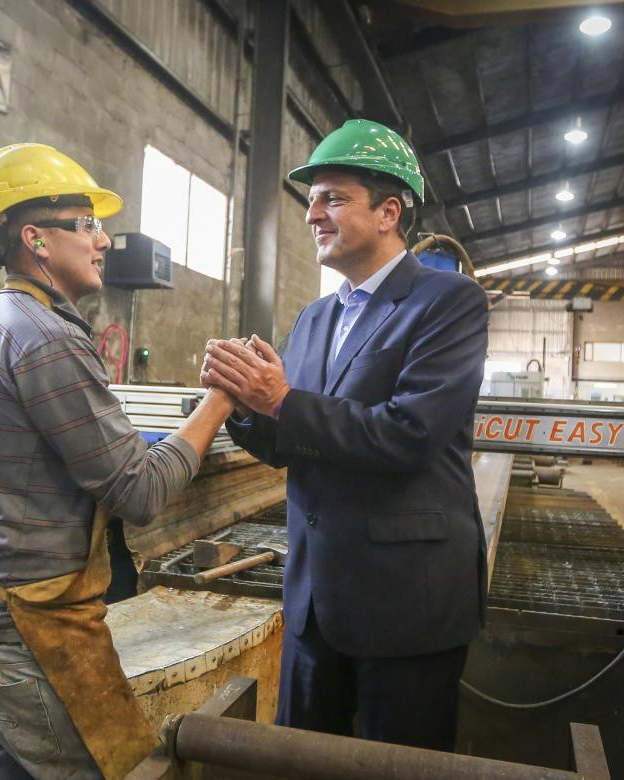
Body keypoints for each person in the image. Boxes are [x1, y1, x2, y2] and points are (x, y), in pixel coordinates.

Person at [0, 142, 235, 779]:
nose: (103, 241)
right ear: (36, 239)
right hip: (32, 640)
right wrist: (221, 400)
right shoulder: (44, 338)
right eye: (87, 224)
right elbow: (142, 493)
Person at [201, 119, 489, 751]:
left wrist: (280, 398)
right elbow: (288, 441)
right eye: (311, 200)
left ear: (389, 212)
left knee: (400, 764)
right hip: (314, 600)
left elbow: (409, 435)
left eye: (332, 198)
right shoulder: (314, 317)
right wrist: (242, 403)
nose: (312, 215)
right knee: (304, 760)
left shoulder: (449, 303)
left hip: (406, 601)